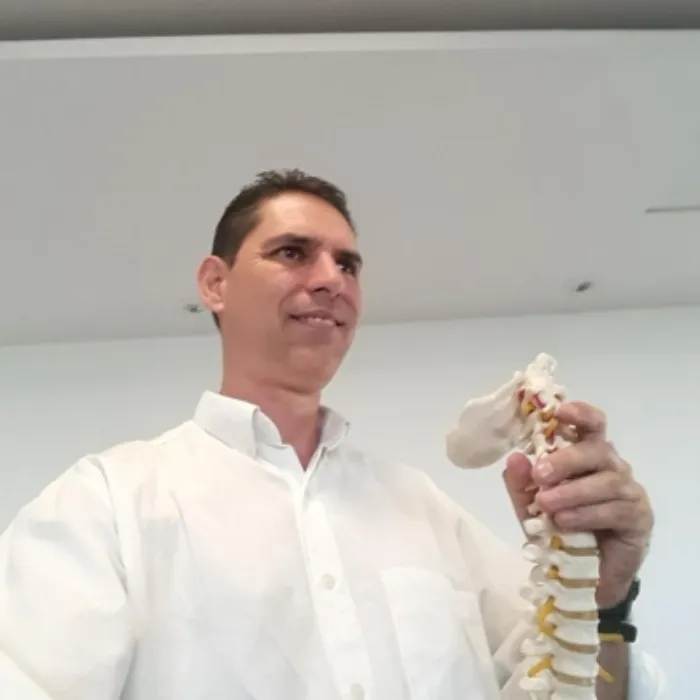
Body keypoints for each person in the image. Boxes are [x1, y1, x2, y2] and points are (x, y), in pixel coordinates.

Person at [0, 169, 665, 700]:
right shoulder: (106, 505)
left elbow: (567, 685)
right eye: (292, 253)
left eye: (348, 265)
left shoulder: (422, 509)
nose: (331, 280)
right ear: (215, 283)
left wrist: (603, 600)